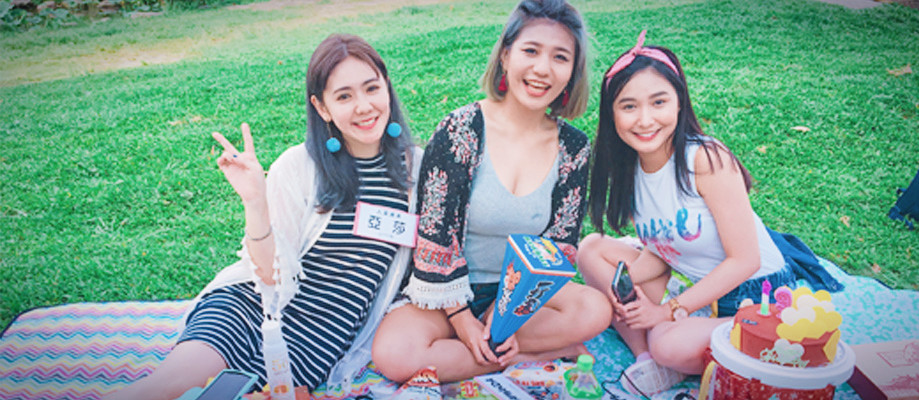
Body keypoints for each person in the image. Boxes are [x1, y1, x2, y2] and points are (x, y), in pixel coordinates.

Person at [104, 34, 422, 400]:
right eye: (344, 96)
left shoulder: (418, 170)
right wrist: (255, 202)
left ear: (387, 88)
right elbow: (269, 277)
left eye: (372, 88)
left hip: (316, 343)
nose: (364, 106)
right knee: (164, 388)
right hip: (249, 309)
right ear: (322, 108)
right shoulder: (300, 166)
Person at [576, 30, 837, 396]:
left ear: (679, 103)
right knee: (591, 250)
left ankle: (668, 351)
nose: (645, 120)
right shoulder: (629, 169)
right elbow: (663, 246)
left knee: (669, 344)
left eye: (658, 102)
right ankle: (646, 358)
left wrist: (667, 310)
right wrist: (622, 284)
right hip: (691, 280)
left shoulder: (706, 159)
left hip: (752, 295)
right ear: (612, 114)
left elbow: (745, 260)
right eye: (629, 106)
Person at [371, 0, 611, 384]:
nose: (542, 69)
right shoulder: (460, 129)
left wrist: (510, 317)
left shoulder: (574, 148)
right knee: (394, 354)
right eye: (531, 51)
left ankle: (494, 348)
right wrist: (464, 322)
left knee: (596, 309)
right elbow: (435, 237)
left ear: (573, 71)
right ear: (505, 56)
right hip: (449, 294)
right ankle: (536, 353)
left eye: (560, 57)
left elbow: (559, 245)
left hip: (522, 298)